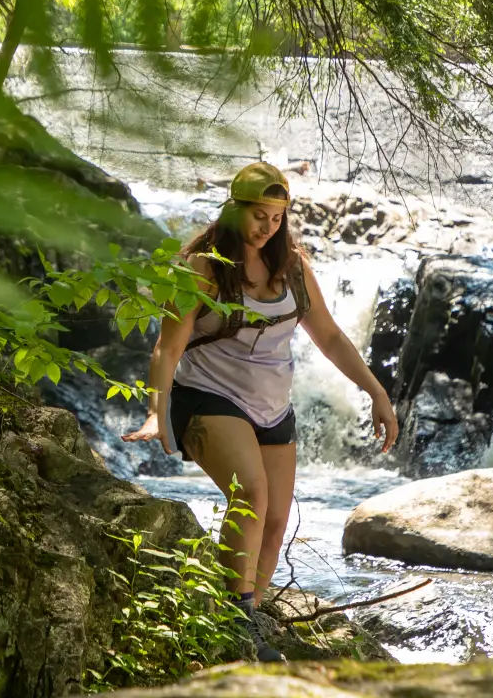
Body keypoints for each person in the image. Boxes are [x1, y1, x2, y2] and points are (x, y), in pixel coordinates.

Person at [122, 161, 399, 662]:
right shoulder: (203, 266)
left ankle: (247, 612)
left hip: (272, 406)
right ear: (234, 209)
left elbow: (331, 337)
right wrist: (154, 411)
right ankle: (236, 621)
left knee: (274, 520)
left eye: (275, 217)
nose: (266, 226)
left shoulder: (292, 267)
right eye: (257, 214)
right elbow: (168, 346)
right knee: (250, 494)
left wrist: (376, 393)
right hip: (207, 395)